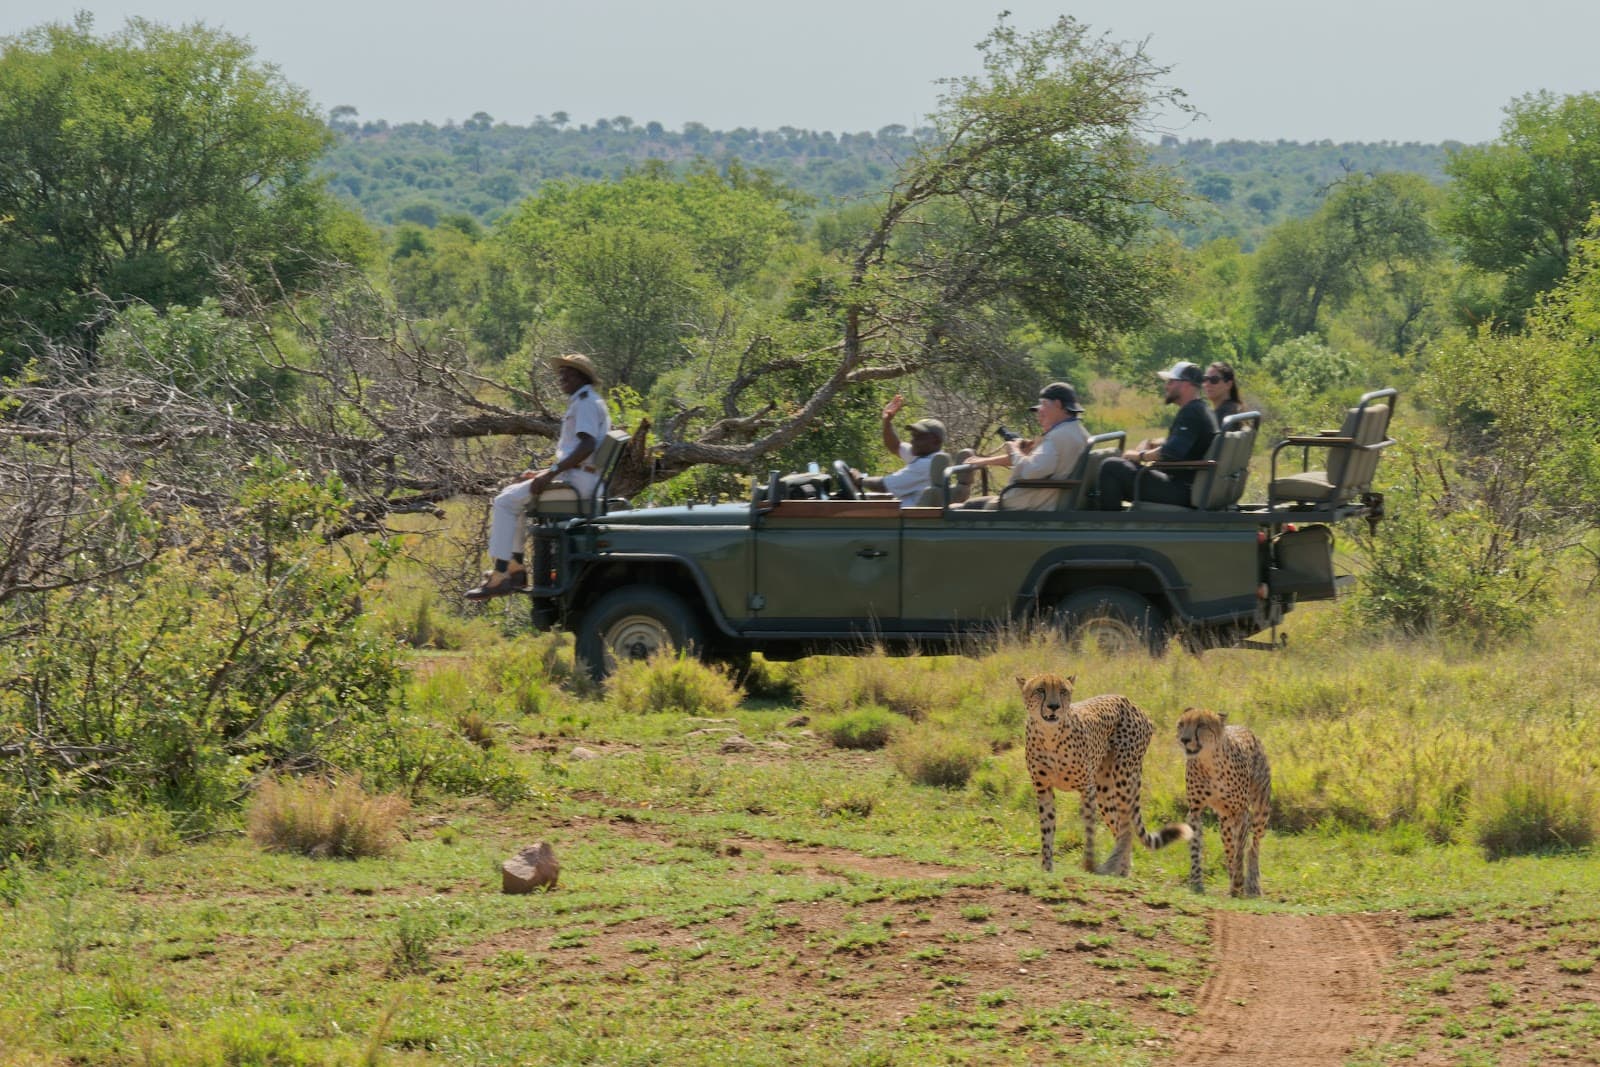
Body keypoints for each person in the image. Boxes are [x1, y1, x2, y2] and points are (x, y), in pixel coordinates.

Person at [466, 353, 611, 600]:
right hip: (583, 478)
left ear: (581, 376)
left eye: (568, 374)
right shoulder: (587, 400)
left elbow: (586, 446)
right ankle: (516, 570)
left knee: (504, 501)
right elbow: (579, 453)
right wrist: (544, 473)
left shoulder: (585, 403)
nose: (561, 378)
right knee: (514, 497)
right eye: (561, 373)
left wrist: (551, 473)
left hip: (579, 483)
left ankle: (500, 575)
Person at [1097, 361, 1218, 510]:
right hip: (1188, 486)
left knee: (1111, 466)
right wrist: (1153, 443)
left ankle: (1109, 523)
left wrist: (1139, 455)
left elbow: (1170, 453)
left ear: (1186, 385)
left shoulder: (1191, 413)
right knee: (1120, 466)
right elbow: (1184, 444)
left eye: (1171, 381)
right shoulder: (1202, 409)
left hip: (1180, 490)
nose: (1166, 386)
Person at [965, 382, 1091, 509]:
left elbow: (1030, 471)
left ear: (1058, 404)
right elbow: (1040, 462)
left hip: (1031, 504)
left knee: (965, 508)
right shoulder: (1080, 433)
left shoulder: (1058, 436)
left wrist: (1014, 450)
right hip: (1048, 501)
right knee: (971, 504)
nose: (1039, 411)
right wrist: (986, 461)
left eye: (1043, 404)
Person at [851, 394, 947, 507]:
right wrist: (887, 422)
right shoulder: (926, 456)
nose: (912, 441)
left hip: (910, 517)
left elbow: (883, 485)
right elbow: (895, 446)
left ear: (935, 441)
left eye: (918, 437)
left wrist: (859, 479)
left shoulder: (926, 464)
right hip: (906, 514)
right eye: (913, 436)